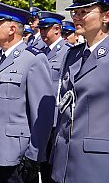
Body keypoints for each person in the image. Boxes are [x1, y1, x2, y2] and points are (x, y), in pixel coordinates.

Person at [0, 1, 55, 183]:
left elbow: (43, 115)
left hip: (16, 155)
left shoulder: (33, 59)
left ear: (12, 29)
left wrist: (33, 156)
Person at [51, 0, 109, 183]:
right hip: (63, 163)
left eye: (84, 11)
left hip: (98, 166)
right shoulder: (73, 55)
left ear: (106, 16)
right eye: (74, 11)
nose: (76, 16)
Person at [37, 11, 70, 183]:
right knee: (42, 166)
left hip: (56, 119)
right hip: (40, 117)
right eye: (41, 28)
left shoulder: (67, 52)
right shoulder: (39, 52)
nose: (42, 32)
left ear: (57, 29)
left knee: (54, 167)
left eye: (46, 28)